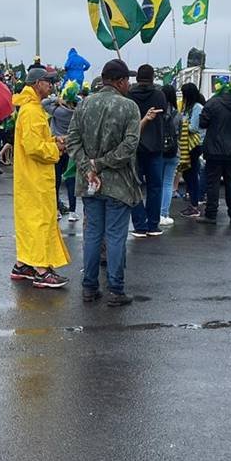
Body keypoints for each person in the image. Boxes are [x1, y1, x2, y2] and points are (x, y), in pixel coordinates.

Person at [66, 58, 142, 306]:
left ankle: (89, 287)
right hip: (118, 184)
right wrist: (101, 164)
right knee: (116, 237)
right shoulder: (129, 107)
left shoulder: (83, 105)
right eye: (127, 80)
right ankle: (116, 290)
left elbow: (72, 143)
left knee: (92, 236)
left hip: (89, 184)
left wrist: (89, 167)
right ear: (119, 81)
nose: (129, 84)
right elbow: (130, 146)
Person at [10, 67, 70, 288]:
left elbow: (35, 141)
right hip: (35, 177)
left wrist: (54, 141)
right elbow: (35, 147)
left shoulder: (30, 108)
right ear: (37, 84)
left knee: (30, 220)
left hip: (31, 176)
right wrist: (56, 150)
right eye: (48, 81)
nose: (51, 86)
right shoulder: (32, 111)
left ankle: (23, 264)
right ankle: (41, 270)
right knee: (38, 221)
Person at [198, 79, 231, 224]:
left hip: (214, 150)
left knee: (213, 183)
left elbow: (202, 123)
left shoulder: (213, 104)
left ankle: (211, 215)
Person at [127, 64, 168, 237]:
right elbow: (165, 113)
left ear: (137, 78)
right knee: (155, 187)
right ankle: (153, 224)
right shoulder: (159, 95)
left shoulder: (129, 95)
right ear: (152, 77)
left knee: (134, 185)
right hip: (155, 147)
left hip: (134, 146)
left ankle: (139, 224)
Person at [42, 82, 79, 219]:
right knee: (71, 179)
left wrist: (55, 100)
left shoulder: (58, 111)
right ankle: (72, 212)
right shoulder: (77, 112)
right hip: (72, 147)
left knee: (56, 180)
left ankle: (56, 209)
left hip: (57, 146)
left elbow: (43, 103)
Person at [179, 83, 206, 218]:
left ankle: (194, 205)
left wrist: (181, 124)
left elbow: (194, 127)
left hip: (194, 145)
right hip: (187, 145)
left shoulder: (197, 108)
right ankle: (192, 203)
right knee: (188, 174)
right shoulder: (187, 107)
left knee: (192, 174)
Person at [159, 84, 181, 226]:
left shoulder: (157, 112)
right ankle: (164, 213)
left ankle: (154, 213)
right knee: (168, 184)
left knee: (156, 184)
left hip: (158, 151)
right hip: (173, 151)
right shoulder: (178, 114)